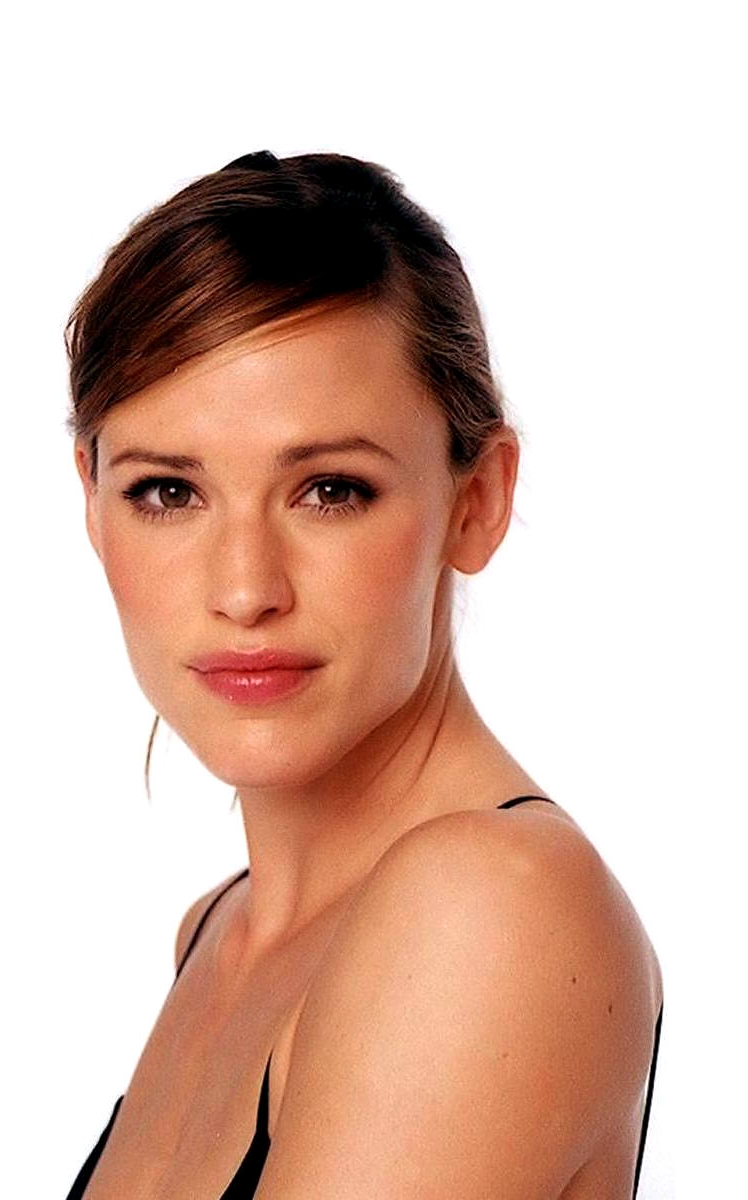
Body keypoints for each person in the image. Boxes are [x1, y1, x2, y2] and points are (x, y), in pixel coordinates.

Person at [61, 151, 663, 1199]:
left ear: (476, 502)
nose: (245, 589)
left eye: (331, 489)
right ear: (92, 501)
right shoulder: (217, 933)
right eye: (167, 492)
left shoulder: (490, 905)